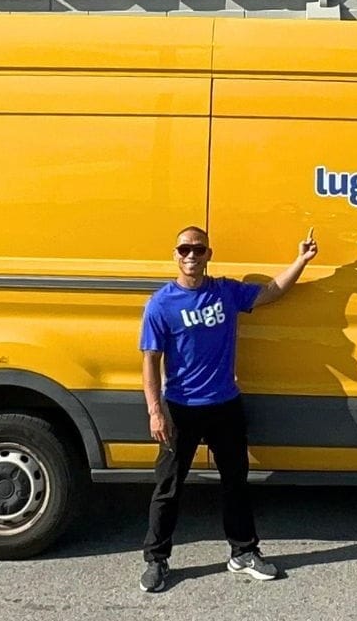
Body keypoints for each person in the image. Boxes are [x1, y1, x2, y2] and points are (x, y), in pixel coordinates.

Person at [138, 224, 318, 593]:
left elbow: (272, 292)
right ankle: (157, 560)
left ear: (209, 254)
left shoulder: (225, 292)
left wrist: (301, 259)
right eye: (184, 249)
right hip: (181, 408)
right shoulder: (161, 304)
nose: (191, 256)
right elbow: (150, 359)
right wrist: (155, 411)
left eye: (198, 250)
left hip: (225, 404)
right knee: (168, 488)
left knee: (235, 483)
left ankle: (243, 553)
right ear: (175, 255)